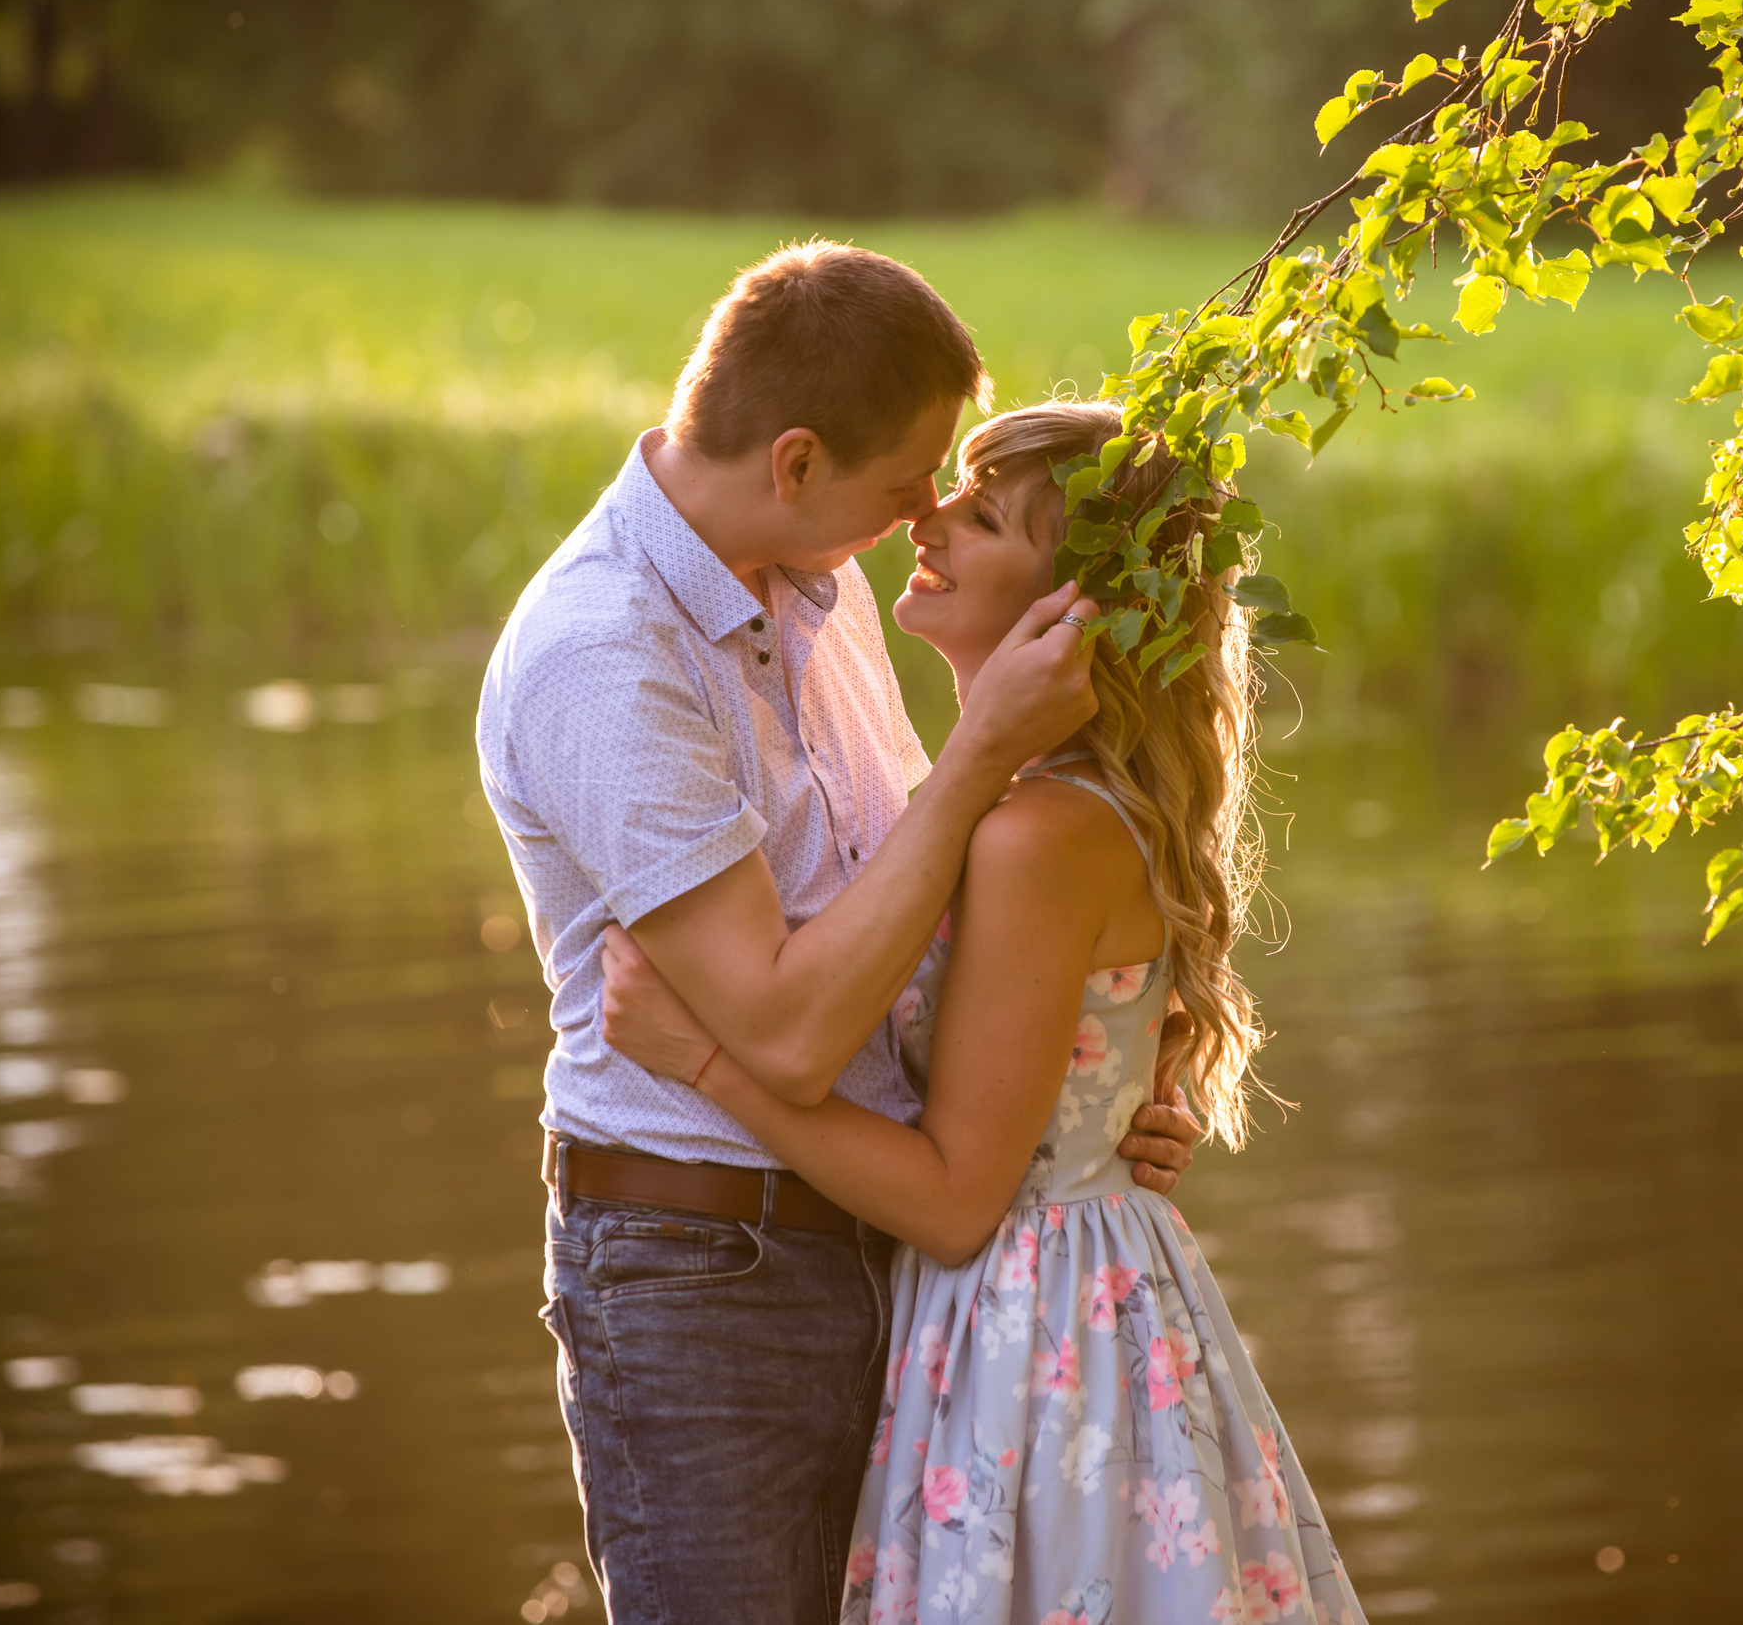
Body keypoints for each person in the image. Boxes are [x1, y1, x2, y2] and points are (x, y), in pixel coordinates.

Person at [474, 243, 1204, 1625]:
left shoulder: (823, 584)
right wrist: (981, 747)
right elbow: (795, 1029)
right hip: (707, 1283)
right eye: (906, 483)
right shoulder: (604, 652)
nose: (924, 513)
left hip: (913, 1261)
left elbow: (925, 917)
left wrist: (1092, 1104)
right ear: (797, 461)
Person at [600, 399, 1366, 1625]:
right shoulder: (1017, 807)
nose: (929, 519)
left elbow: (959, 1200)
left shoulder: (1034, 836)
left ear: (1072, 611)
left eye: (986, 514)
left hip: (1034, 1331)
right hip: (1046, 1306)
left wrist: (702, 1057)